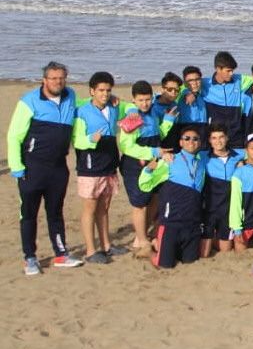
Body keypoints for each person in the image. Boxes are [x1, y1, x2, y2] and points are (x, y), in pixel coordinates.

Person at [7, 61, 83, 273]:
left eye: (61, 78)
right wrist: (17, 167)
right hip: (32, 167)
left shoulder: (71, 96)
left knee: (55, 212)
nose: (58, 82)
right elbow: (14, 136)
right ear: (44, 80)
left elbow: (82, 109)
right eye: (53, 78)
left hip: (58, 167)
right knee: (29, 214)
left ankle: (61, 254)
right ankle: (30, 258)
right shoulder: (29, 101)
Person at [114, 79, 175, 258]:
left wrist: (168, 121)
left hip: (154, 163)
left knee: (154, 198)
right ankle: (141, 239)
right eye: (140, 100)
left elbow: (158, 134)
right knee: (139, 203)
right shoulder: (132, 117)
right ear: (134, 100)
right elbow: (127, 147)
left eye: (147, 99)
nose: (145, 103)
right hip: (135, 165)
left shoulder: (153, 113)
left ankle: (142, 234)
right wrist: (153, 152)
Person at [71, 71, 124, 264]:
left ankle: (106, 245)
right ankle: (91, 250)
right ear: (92, 91)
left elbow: (130, 108)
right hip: (90, 166)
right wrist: (91, 139)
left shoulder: (113, 107)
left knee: (104, 207)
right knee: (90, 208)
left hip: (109, 164)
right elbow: (77, 140)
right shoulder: (82, 111)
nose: (105, 94)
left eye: (108, 90)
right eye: (101, 90)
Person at [138, 125, 207, 269]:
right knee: (165, 265)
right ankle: (149, 251)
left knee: (190, 262)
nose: (191, 141)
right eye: (186, 138)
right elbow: (145, 185)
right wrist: (149, 168)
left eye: (195, 139)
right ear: (180, 142)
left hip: (192, 224)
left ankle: (161, 246)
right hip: (171, 223)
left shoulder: (202, 161)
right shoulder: (170, 161)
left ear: (200, 143)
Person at [202, 123, 243, 257]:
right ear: (209, 140)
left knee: (226, 250)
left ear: (227, 138)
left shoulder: (239, 155)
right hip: (209, 209)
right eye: (214, 138)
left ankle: (216, 239)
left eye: (221, 137)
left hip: (228, 210)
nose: (218, 141)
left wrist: (244, 164)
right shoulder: (202, 156)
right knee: (204, 254)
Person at [200, 51, 247, 148]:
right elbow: (186, 85)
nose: (231, 74)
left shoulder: (239, 80)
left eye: (232, 71)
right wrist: (190, 93)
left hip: (236, 135)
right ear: (218, 69)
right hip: (215, 137)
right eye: (228, 71)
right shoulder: (205, 84)